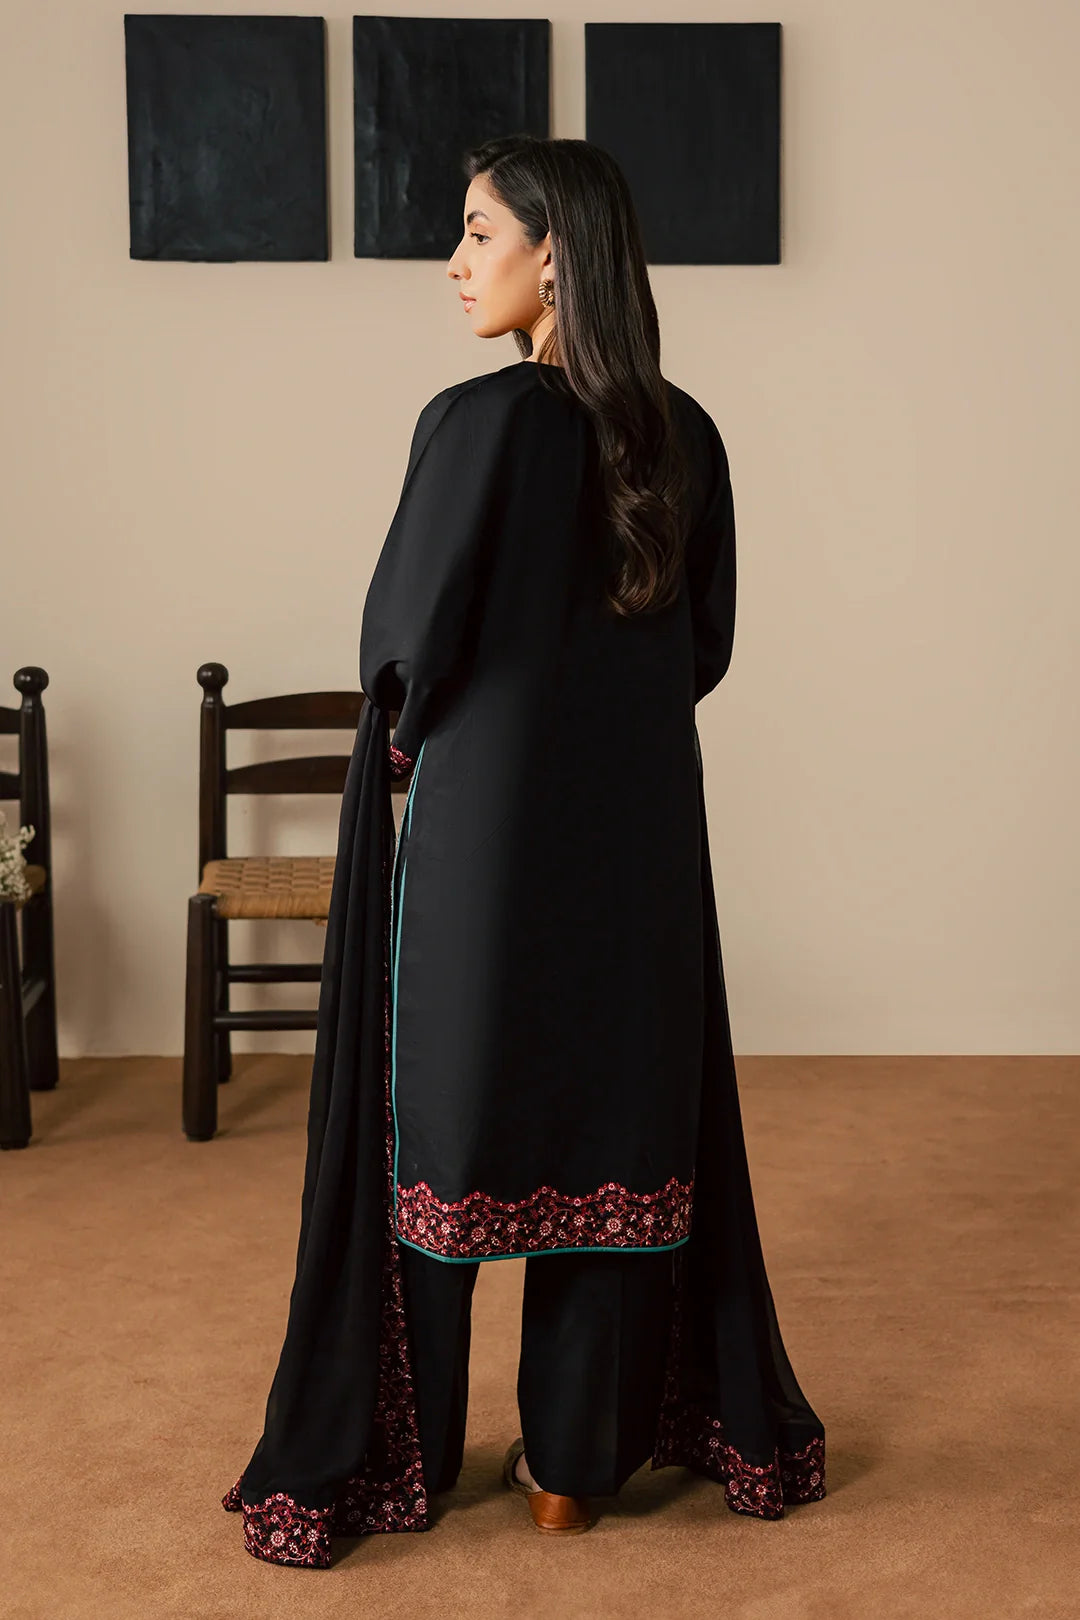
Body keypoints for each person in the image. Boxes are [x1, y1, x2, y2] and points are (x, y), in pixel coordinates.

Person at [222, 134, 826, 1568]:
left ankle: (405, 1458)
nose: (454, 263)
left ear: (556, 256)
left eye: (478, 232)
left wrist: (422, 747)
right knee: (615, 1124)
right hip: (641, 838)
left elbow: (405, 643)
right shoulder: (686, 432)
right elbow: (705, 646)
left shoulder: (477, 423)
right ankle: (573, 1466)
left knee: (446, 1126)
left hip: (487, 844)